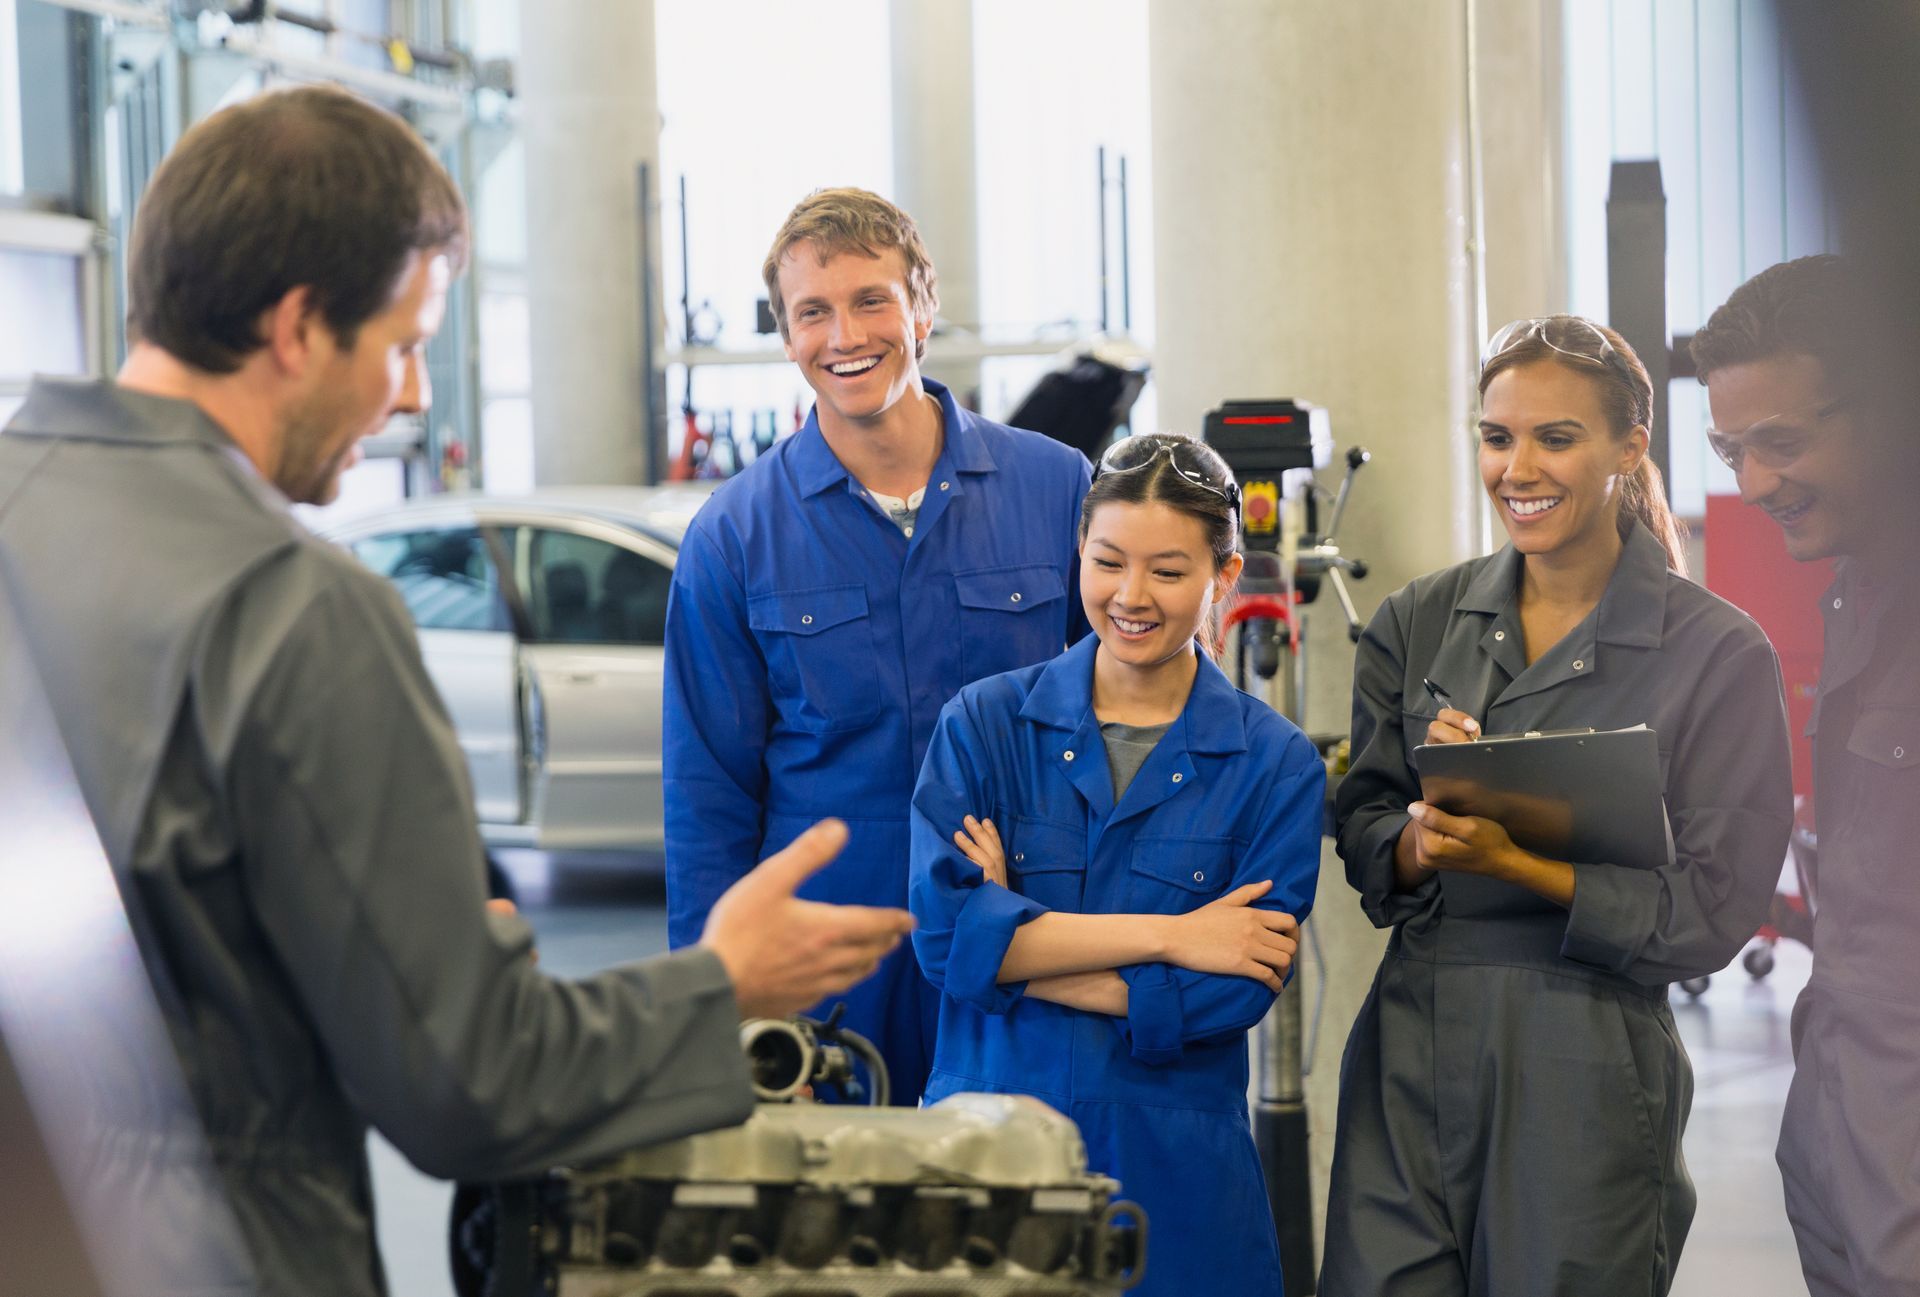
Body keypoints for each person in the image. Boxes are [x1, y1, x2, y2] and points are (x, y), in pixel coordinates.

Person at [0, 86, 913, 1297]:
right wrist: (720, 982)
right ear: (298, 327)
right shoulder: (291, 609)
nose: (416, 397)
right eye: (409, 341)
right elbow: (469, 1084)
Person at [1321, 316, 1794, 1296]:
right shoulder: (1417, 623)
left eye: (1555, 437)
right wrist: (1417, 839)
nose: (1517, 467)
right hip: (1411, 1045)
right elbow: (1364, 824)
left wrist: (1517, 861)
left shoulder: (1717, 654)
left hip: (1584, 1054)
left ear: (1631, 447)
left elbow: (1712, 906)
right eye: (1497, 437)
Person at [664, 188, 1092, 1103]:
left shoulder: (1057, 490)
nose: (844, 334)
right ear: (787, 337)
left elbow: (1133, 715)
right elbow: (707, 800)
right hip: (829, 978)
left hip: (1029, 945)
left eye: (871, 300)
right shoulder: (733, 535)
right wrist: (726, 1014)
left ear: (922, 308)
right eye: (812, 311)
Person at [908, 434, 1324, 1297]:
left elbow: (1236, 988)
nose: (1131, 597)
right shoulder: (984, 726)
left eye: (1169, 572)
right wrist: (1175, 938)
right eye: (1107, 562)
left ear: (1224, 573)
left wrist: (1013, 942)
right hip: (990, 1149)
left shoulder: (1275, 764)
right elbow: (944, 939)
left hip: (1175, 1179)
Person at [1693, 255, 1920, 1297]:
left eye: (1782, 443)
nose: (1752, 485)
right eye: (1731, 450)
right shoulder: (1859, 588)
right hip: (1841, 1085)